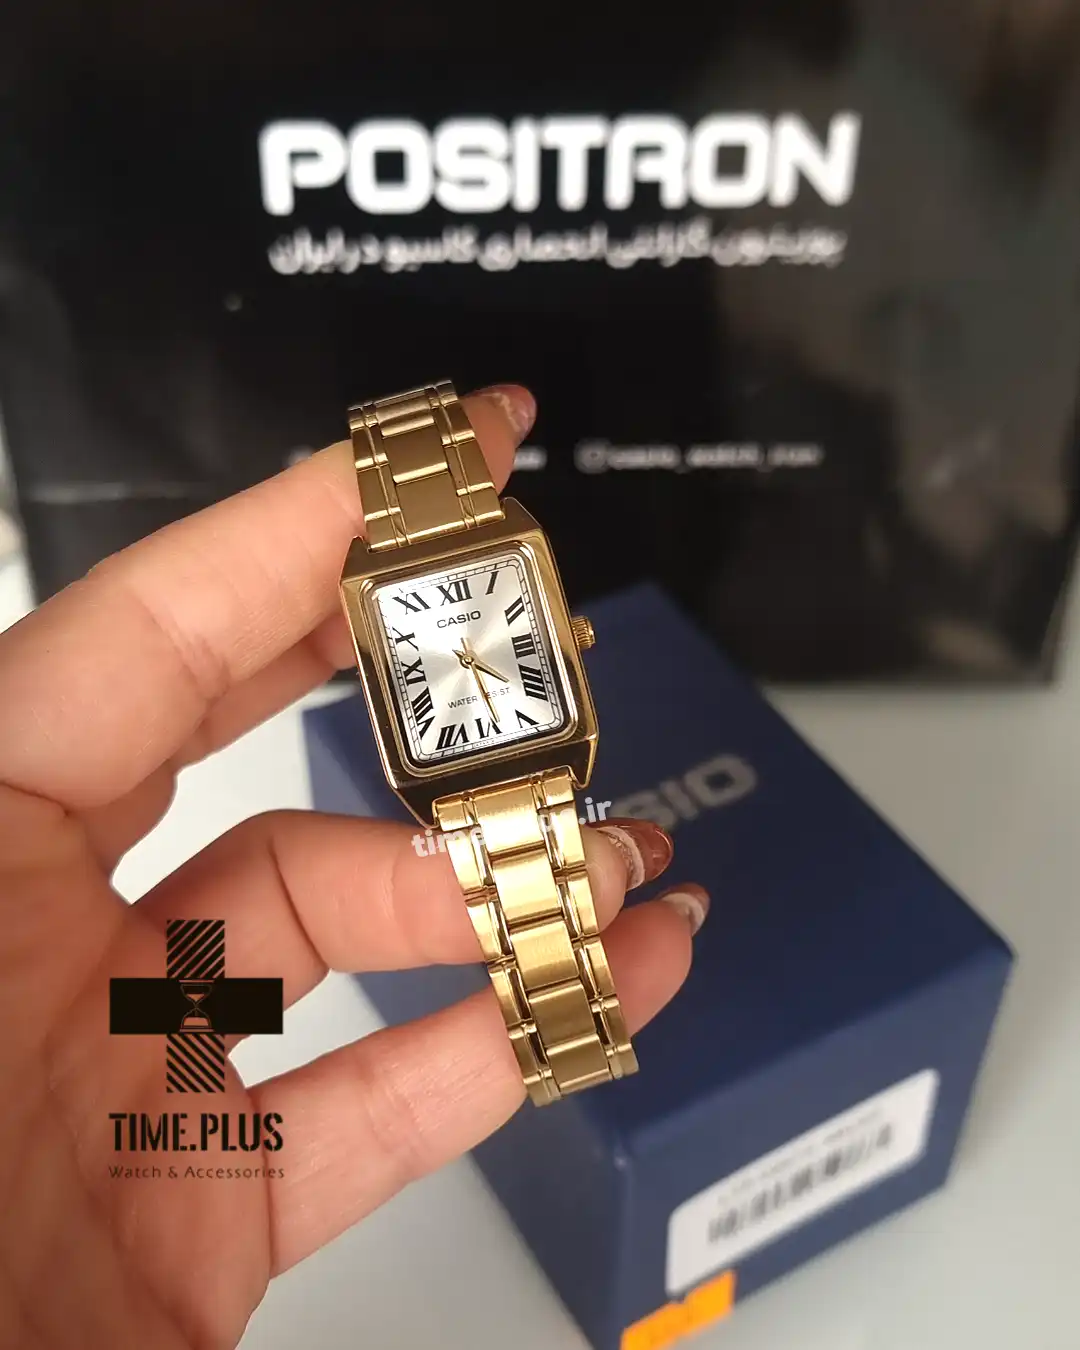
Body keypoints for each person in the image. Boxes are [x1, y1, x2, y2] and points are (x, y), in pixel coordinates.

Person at [0, 384, 707, 1347]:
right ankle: (564, 1029)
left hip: (517, 766)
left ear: (561, 635)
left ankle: (565, 1028)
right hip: (474, 780)